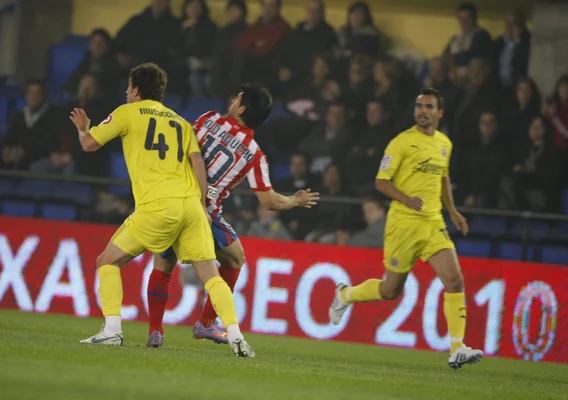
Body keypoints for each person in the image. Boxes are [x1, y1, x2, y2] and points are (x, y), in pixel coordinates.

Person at [70, 63, 255, 357]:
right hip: (192, 206)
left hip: (157, 205)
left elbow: (90, 144)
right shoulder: (181, 122)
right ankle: (236, 336)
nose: (126, 92)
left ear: (135, 90)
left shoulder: (126, 112)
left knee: (107, 261)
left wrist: (83, 130)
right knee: (211, 276)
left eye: (128, 88)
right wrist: (203, 204)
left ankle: (112, 331)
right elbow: (197, 163)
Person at [145, 83, 320, 348]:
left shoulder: (208, 118)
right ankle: (205, 323)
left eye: (237, 98)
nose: (232, 100)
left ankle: (155, 332)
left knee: (164, 264)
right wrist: (295, 200)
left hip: (173, 199)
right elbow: (268, 201)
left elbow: (180, 148)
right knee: (235, 258)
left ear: (242, 108)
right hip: (205, 213)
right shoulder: (254, 152)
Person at [328, 87, 484, 369]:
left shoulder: (444, 144)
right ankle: (345, 295)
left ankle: (457, 348)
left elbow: (443, 178)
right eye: (418, 106)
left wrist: (453, 211)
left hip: (433, 223)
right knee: (390, 291)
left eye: (428, 106)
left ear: (439, 112)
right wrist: (406, 199)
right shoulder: (401, 143)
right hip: (403, 225)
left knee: (455, 280)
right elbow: (381, 182)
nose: (422, 111)